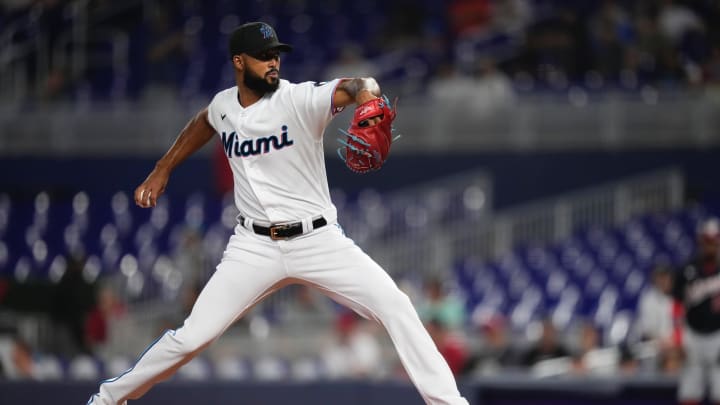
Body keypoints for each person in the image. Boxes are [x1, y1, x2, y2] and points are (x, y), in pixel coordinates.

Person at [87, 22, 469, 405]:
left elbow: (355, 85)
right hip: (253, 247)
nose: (274, 63)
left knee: (396, 305)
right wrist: (163, 167)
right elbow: (204, 121)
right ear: (239, 61)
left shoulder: (299, 99)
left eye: (276, 56)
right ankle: (107, 400)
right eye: (264, 56)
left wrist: (368, 94)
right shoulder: (224, 106)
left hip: (317, 240)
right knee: (191, 337)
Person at [672, 217, 720, 405]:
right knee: (689, 390)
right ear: (700, 241)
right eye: (707, 240)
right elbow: (677, 305)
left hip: (718, 334)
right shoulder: (687, 269)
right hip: (692, 333)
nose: (710, 245)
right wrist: (677, 337)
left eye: (714, 241)